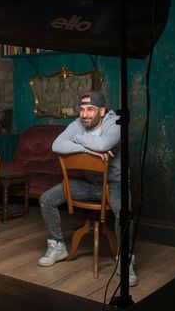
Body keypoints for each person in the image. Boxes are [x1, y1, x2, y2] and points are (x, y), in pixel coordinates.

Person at [37, 90, 137, 286]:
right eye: (82, 109)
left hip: (115, 183)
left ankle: (125, 259)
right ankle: (57, 245)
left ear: (101, 111)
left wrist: (77, 140)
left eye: (90, 109)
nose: (84, 115)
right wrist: (87, 149)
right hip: (89, 184)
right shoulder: (77, 124)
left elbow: (104, 143)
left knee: (124, 212)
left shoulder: (116, 122)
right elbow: (57, 145)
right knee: (46, 199)